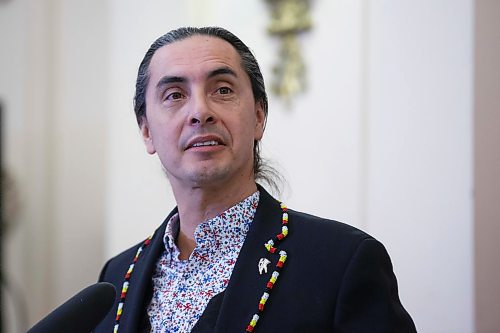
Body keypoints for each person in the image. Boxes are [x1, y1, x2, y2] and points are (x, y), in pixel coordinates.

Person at [94, 26, 416, 333]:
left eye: (222, 90)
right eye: (175, 95)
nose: (200, 112)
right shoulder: (117, 277)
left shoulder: (341, 263)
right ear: (146, 131)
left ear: (259, 117)